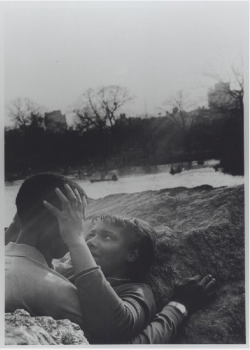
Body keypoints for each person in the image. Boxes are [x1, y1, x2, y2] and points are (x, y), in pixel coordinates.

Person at [5, 172, 216, 344]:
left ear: (132, 254)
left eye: (106, 237)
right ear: (55, 220)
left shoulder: (138, 292)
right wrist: (178, 308)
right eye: (82, 227)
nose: (87, 240)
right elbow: (118, 332)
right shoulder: (47, 283)